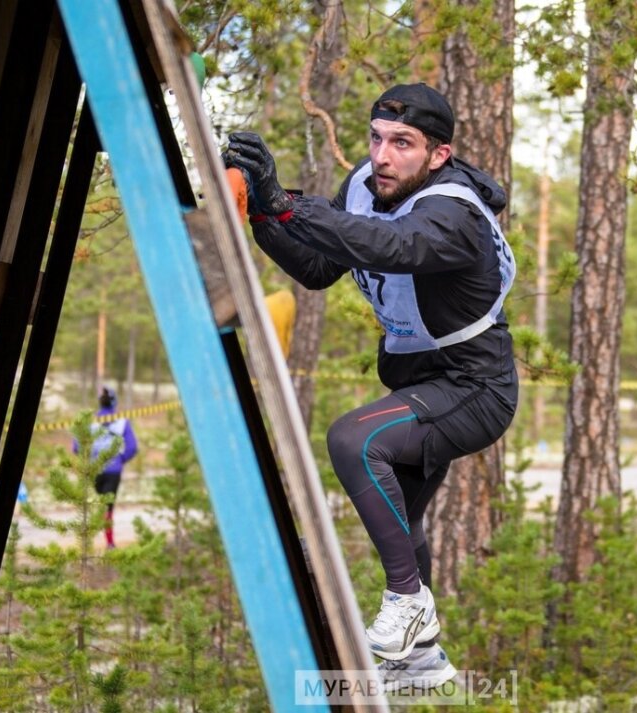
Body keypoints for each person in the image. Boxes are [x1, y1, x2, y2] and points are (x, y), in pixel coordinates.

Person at [224, 83, 518, 686]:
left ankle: (409, 605)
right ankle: (420, 660)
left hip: (475, 386)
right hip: (421, 380)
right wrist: (261, 208)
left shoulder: (455, 211)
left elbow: (395, 246)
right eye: (377, 139)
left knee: (356, 440)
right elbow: (316, 266)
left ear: (438, 155)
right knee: (401, 518)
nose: (383, 156)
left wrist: (288, 206)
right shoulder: (367, 183)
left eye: (403, 144)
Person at [82, 387, 138, 549]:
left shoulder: (90, 422)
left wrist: (88, 460)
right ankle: (110, 543)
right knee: (107, 507)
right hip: (113, 470)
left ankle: (88, 542)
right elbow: (132, 447)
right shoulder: (122, 421)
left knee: (95, 505)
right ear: (115, 401)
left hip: (93, 470)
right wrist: (120, 459)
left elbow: (77, 446)